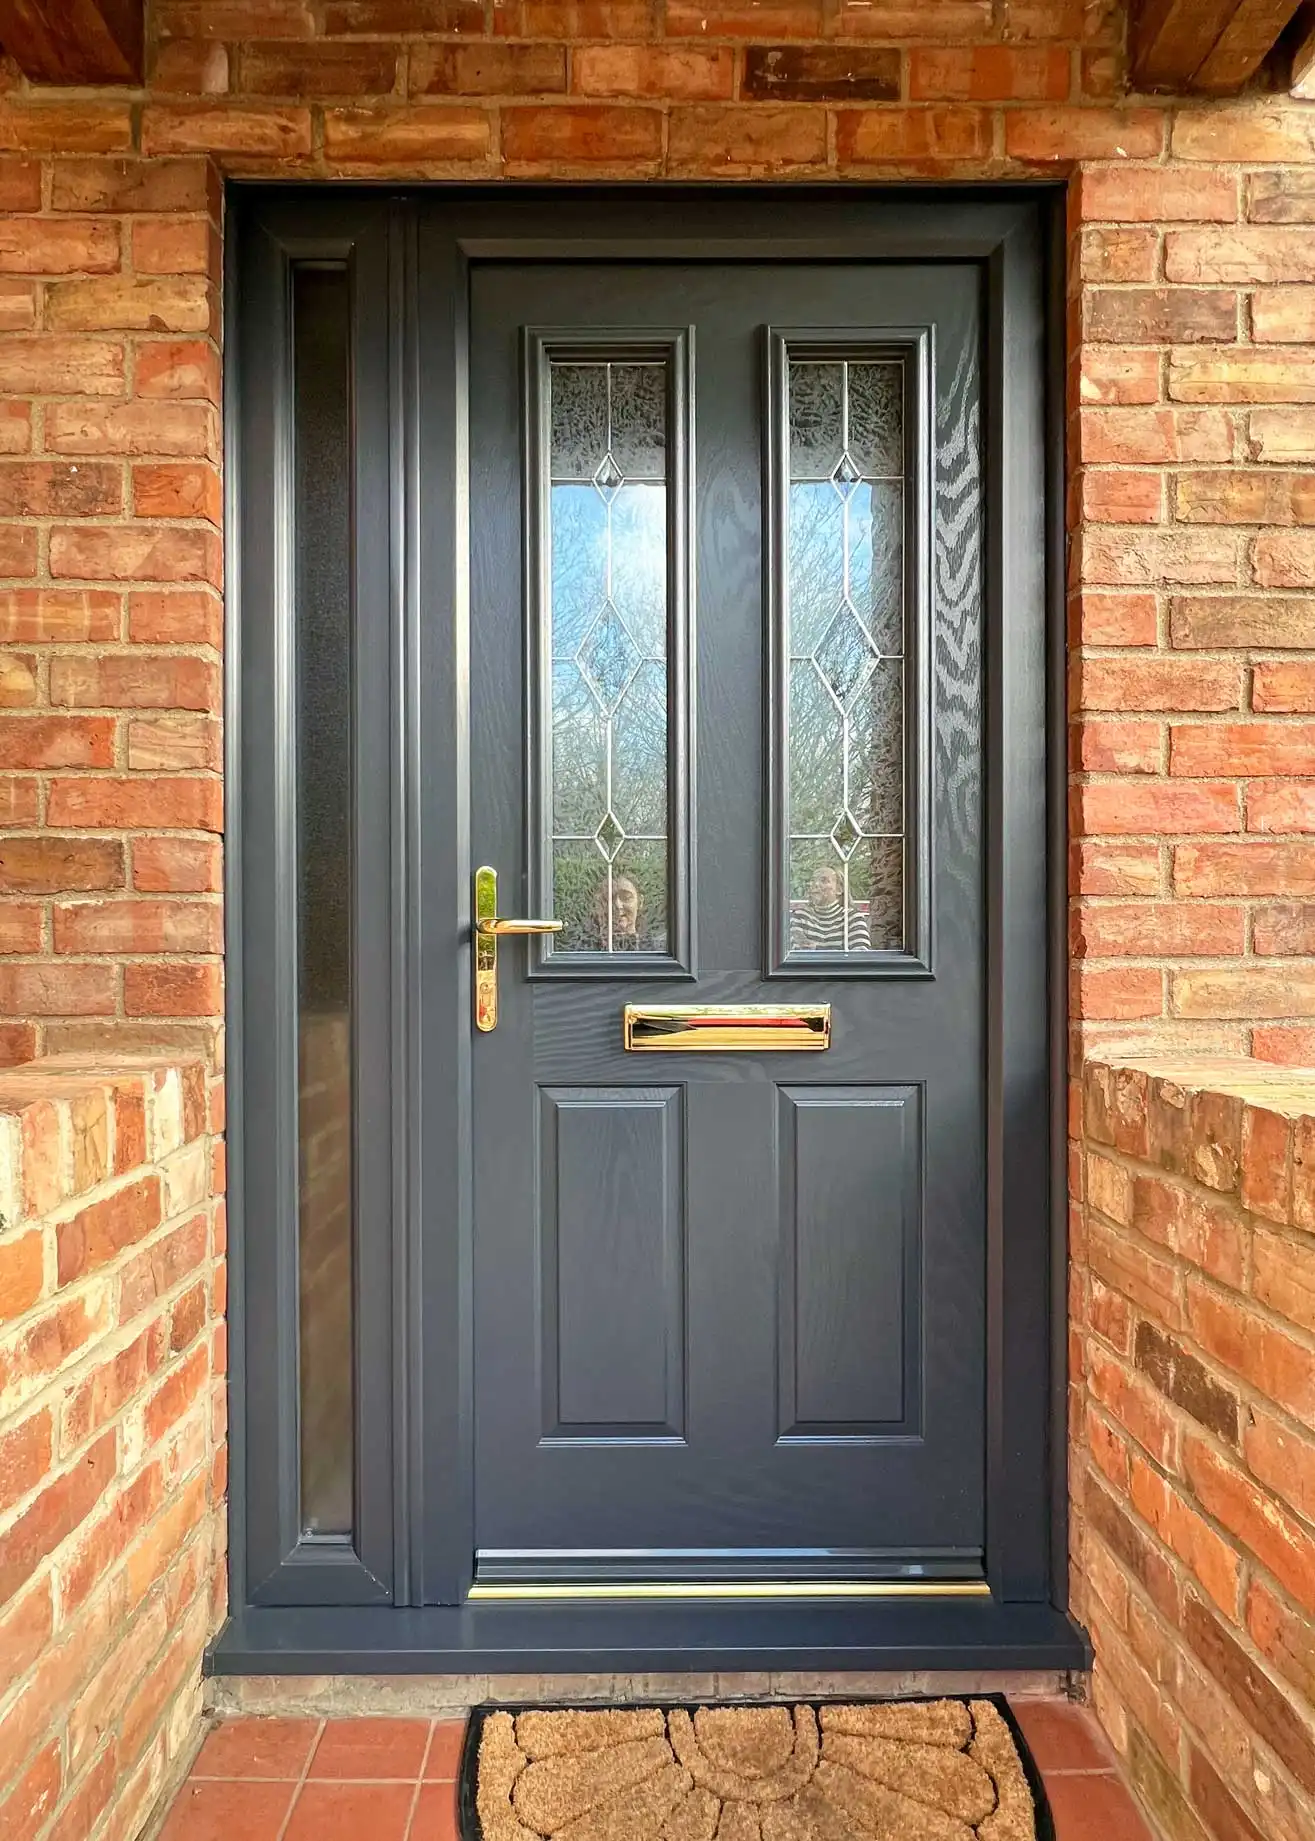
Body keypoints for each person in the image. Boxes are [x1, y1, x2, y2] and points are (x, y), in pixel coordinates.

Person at [791, 861, 869, 952]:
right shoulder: (800, 916)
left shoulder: (853, 918)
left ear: (839, 889)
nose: (815, 884)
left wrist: (816, 950)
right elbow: (796, 957)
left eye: (824, 880)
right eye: (813, 880)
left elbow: (860, 959)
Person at [581, 871, 647, 951]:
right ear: (596, 906)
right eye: (607, 899)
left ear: (640, 902)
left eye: (626, 897)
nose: (618, 906)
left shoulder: (655, 950)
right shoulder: (583, 951)